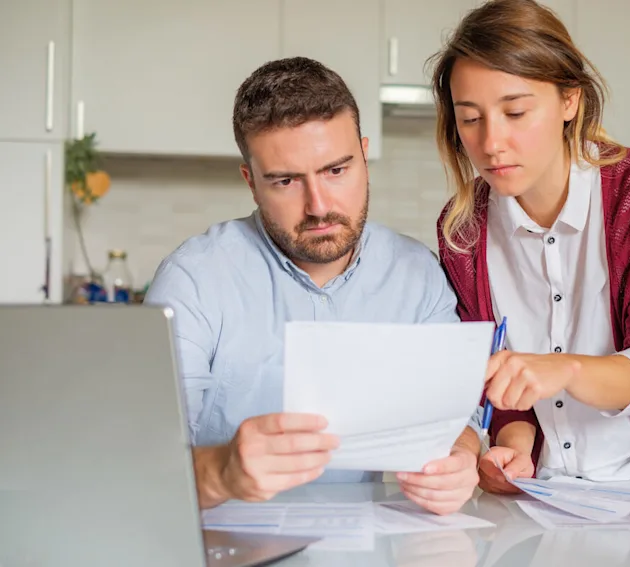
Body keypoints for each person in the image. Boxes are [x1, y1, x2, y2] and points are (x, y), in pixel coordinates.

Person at [429, 0, 630, 493]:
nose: (491, 142)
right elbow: (502, 385)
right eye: (470, 119)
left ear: (570, 101)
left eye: (515, 111)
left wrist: (567, 369)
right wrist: (512, 449)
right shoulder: (462, 230)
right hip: (551, 494)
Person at [144, 57, 480, 514]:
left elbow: (453, 418)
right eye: (286, 181)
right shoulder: (194, 280)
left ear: (364, 155)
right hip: (223, 542)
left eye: (336, 170)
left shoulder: (417, 275)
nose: (319, 206)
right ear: (252, 183)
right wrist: (222, 470)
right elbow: (138, 463)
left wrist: (461, 457)